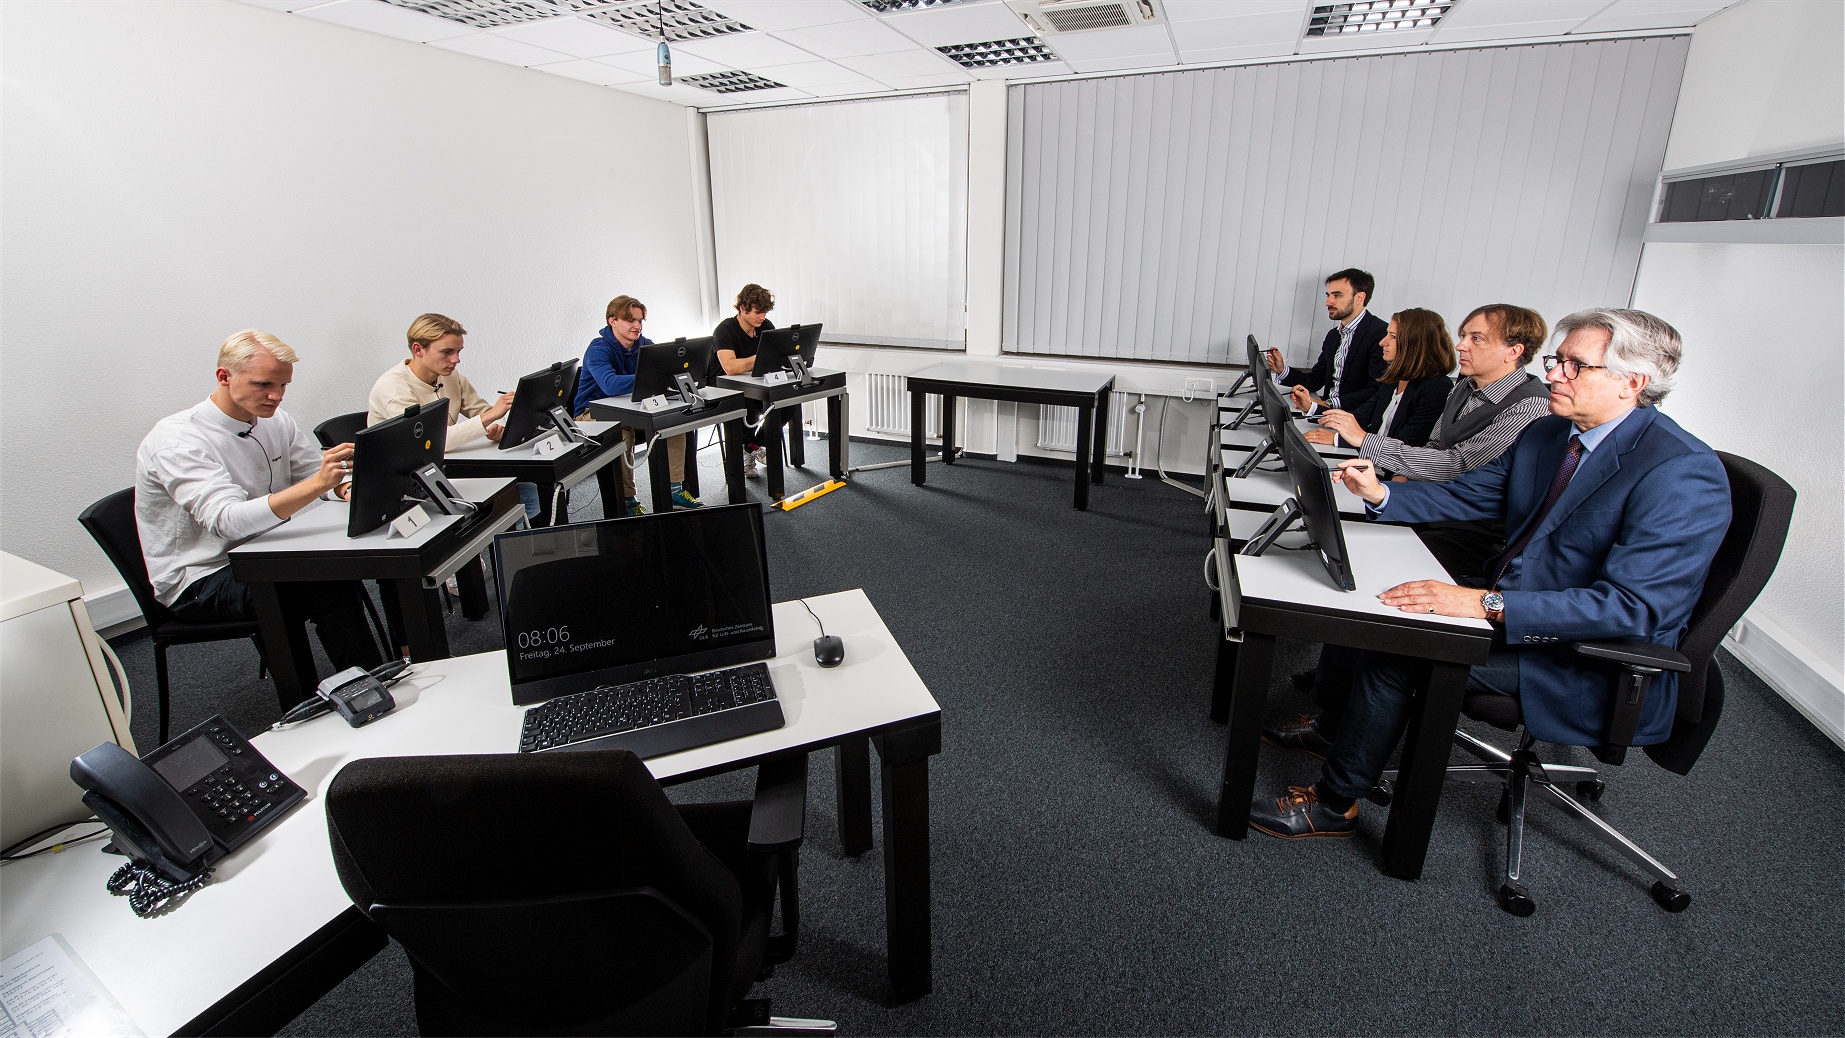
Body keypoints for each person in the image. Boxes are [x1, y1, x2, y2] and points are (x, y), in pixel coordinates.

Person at [1248, 308, 1730, 839]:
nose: (1554, 373)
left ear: (1632, 382)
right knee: (1382, 610)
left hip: (1582, 653)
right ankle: (1338, 735)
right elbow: (1470, 493)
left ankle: (1335, 803)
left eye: (1575, 365)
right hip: (1517, 607)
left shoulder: (1681, 471)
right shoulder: (1550, 434)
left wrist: (1484, 603)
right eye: (1557, 360)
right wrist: (1382, 493)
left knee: (1399, 652)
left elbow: (1632, 609)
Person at [136, 330, 384, 697]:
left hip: (263, 552)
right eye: (264, 384)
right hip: (201, 576)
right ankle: (308, 704)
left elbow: (310, 472)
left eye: (283, 385)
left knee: (332, 571)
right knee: (322, 582)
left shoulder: (274, 420)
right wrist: (319, 482)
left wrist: (344, 489)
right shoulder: (178, 440)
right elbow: (228, 522)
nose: (277, 396)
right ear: (224, 376)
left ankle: (372, 682)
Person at [366, 313, 540, 522]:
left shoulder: (449, 376)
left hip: (439, 470)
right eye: (447, 352)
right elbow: (431, 443)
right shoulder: (393, 388)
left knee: (529, 492)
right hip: (405, 485)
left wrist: (497, 425)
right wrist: (490, 417)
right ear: (418, 349)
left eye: (458, 352)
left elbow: (481, 409)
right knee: (525, 496)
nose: (456, 360)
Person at [570, 295, 700, 516]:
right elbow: (610, 384)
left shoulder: (645, 345)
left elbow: (665, 371)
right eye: (630, 320)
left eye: (640, 321)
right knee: (621, 433)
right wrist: (648, 375)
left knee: (672, 421)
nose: (637, 326)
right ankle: (628, 501)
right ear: (612, 321)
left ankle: (674, 491)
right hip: (590, 414)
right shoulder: (598, 348)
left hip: (631, 409)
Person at [1304, 307, 1454, 451]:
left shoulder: (1437, 388)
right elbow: (1360, 417)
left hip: (1389, 467)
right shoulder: (1394, 380)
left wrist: (1337, 439)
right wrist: (1312, 408)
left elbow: (1406, 445)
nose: (1382, 342)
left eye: (1393, 336)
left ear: (1415, 344)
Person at [1265, 269, 1389, 419]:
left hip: (1352, 419)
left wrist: (1328, 404)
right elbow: (1316, 379)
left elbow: (1376, 390)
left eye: (1337, 295)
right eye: (1328, 295)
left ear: (1359, 297)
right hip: (1325, 413)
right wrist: (1282, 370)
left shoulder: (1381, 334)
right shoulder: (1334, 335)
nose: (1328, 302)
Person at [712, 283, 779, 478]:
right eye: (758, 312)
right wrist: (759, 358)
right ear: (743, 308)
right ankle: (748, 451)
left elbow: (775, 355)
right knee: (749, 406)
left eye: (765, 312)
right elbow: (730, 367)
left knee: (786, 404)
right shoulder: (725, 330)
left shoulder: (765, 327)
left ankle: (753, 446)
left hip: (755, 383)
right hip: (725, 389)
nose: (762, 317)